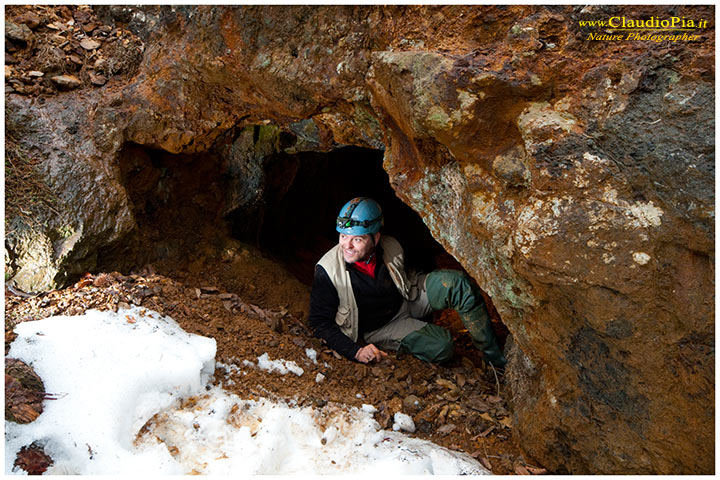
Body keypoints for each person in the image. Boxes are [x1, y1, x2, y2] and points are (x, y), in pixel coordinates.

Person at [308, 196, 507, 367]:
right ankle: (408, 336)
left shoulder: (391, 245)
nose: (347, 246)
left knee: (457, 284)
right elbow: (319, 323)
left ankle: (494, 358)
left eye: (357, 239)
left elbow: (421, 258)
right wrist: (355, 351)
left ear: (375, 239)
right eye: (343, 236)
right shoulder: (327, 271)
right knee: (442, 346)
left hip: (406, 296)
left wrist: (432, 305)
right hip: (382, 327)